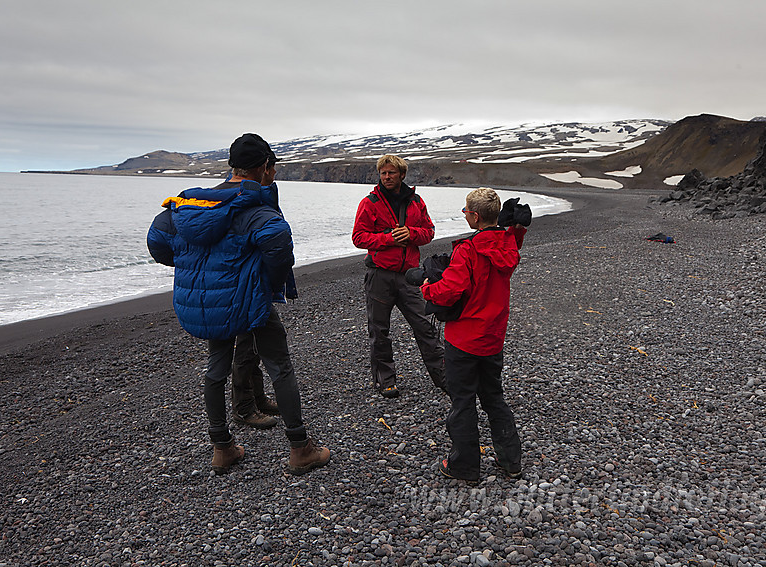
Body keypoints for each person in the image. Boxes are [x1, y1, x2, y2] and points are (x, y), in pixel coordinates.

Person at [147, 133, 329, 476]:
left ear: (232, 166)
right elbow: (278, 244)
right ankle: (300, 447)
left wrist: (195, 266)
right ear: (265, 168)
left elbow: (157, 239)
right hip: (248, 301)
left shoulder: (194, 203)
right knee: (280, 366)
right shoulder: (253, 207)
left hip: (210, 302)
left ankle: (223, 447)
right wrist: (264, 280)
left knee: (217, 366)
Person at [420, 187, 528, 483]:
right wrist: (515, 229)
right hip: (492, 338)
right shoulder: (506, 244)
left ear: (475, 216)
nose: (465, 215)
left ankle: (464, 466)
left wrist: (427, 288)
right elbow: (510, 246)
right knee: (494, 397)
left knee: (463, 401)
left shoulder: (468, 250)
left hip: (465, 340)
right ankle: (510, 461)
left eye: (466, 211)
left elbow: (450, 291)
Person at [352, 155, 446, 399]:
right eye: (383, 173)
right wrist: (389, 239)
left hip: (409, 277)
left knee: (425, 326)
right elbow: (359, 238)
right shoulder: (369, 203)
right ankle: (386, 381)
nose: (386, 177)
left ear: (402, 174)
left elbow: (429, 232)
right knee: (379, 331)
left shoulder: (416, 201)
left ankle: (444, 376)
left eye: (391, 173)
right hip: (379, 276)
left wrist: (411, 234)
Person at [229, 153, 291, 430]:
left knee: (249, 345)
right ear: (264, 167)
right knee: (246, 347)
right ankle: (243, 408)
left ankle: (256, 400)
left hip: (248, 284)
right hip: (246, 286)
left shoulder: (253, 194)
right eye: (273, 167)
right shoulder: (241, 197)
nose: (275, 173)